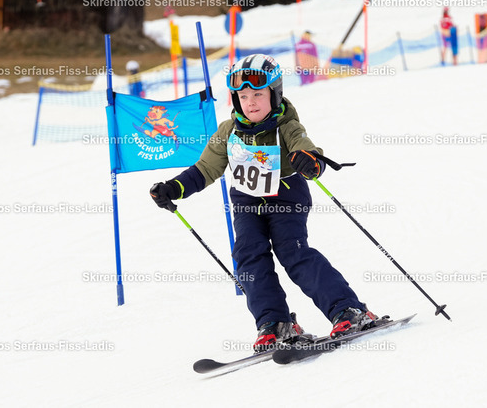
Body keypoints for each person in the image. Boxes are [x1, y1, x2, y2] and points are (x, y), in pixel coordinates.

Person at [150, 54, 377, 352]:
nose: (251, 102)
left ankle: (347, 309)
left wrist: (310, 162)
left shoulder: (286, 126)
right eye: (243, 96)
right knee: (248, 255)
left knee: (292, 251)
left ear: (275, 93)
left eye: (258, 94)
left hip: (286, 196)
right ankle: (274, 323)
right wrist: (173, 188)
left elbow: (307, 149)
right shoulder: (228, 132)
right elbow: (205, 169)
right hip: (247, 202)